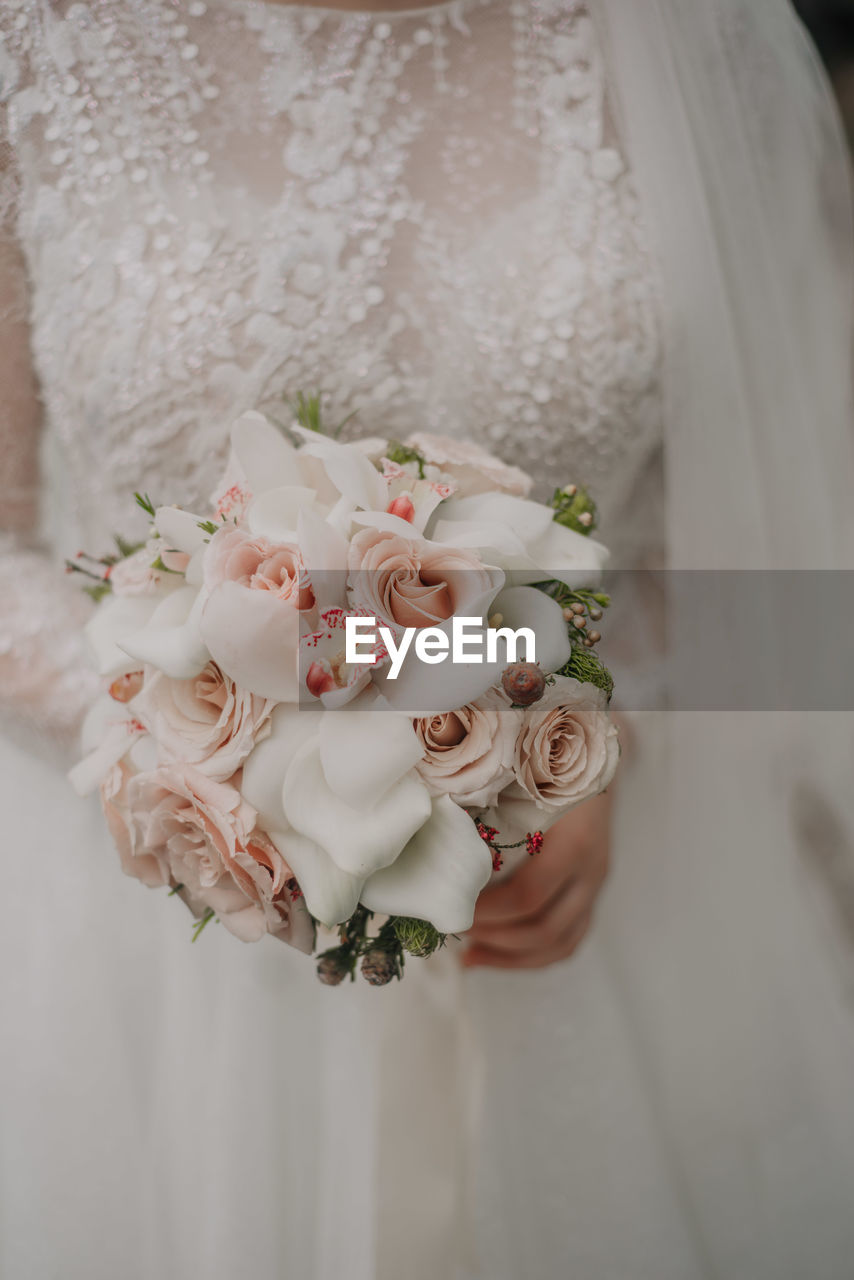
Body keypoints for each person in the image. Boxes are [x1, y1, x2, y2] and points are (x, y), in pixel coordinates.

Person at [3, 2, 854, 1277]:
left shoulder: (685, 36)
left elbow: (801, 551)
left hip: (592, 911)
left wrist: (606, 727)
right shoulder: (38, 37)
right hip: (150, 967)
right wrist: (202, 764)